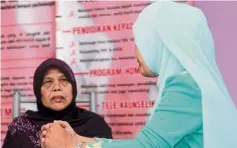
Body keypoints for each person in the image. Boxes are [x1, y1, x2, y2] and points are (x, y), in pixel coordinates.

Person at [40, 1, 237, 148]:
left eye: (140, 43)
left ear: (161, 42)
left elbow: (147, 146)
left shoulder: (186, 85)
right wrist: (76, 139)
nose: (136, 52)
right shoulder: (194, 82)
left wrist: (73, 146)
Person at [2, 58, 112, 148]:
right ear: (38, 90)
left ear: (73, 87)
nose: (57, 88)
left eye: (64, 80)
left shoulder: (95, 124)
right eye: (48, 82)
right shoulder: (21, 127)